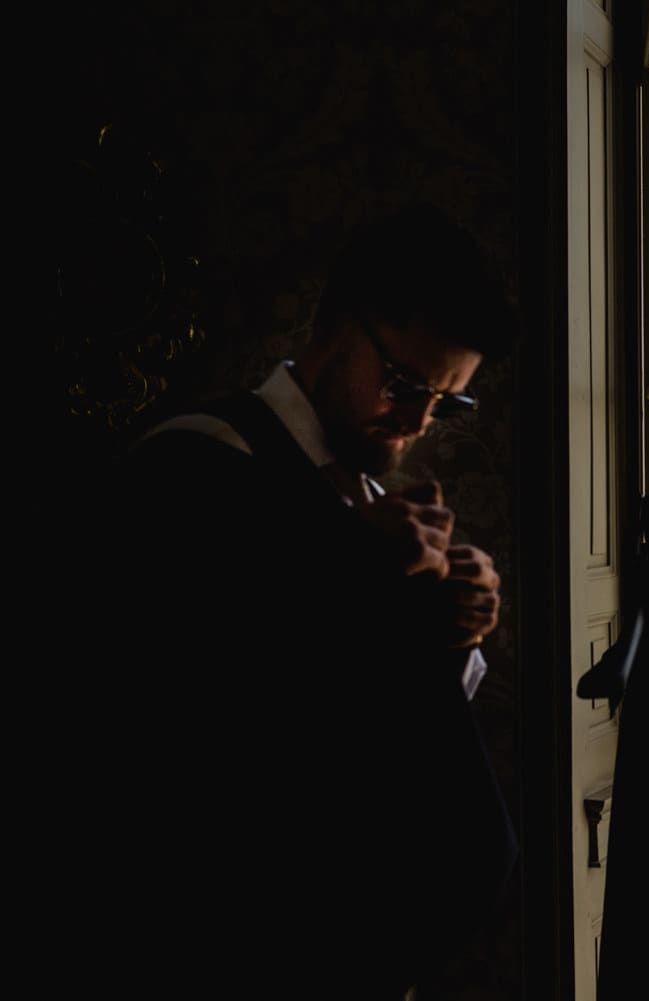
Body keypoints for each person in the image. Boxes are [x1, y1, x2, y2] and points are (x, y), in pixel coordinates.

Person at [46, 203, 518, 999]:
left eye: (447, 401)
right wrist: (359, 582)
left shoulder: (360, 498)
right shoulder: (189, 471)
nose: (418, 421)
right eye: (405, 383)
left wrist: (449, 635)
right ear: (332, 324)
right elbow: (190, 723)